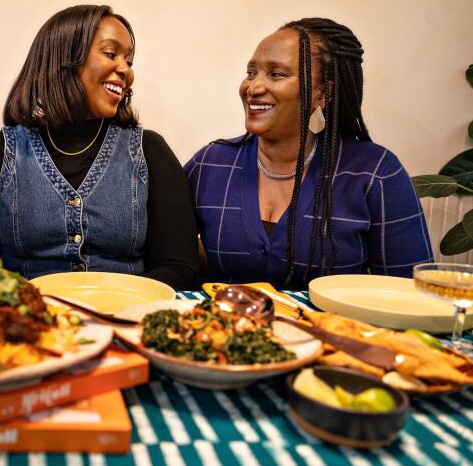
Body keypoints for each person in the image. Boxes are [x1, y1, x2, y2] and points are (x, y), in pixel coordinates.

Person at [0, 5, 198, 290]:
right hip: (32, 324)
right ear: (65, 58)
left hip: (125, 319)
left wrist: (118, 304)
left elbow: (179, 266)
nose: (125, 70)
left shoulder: (149, 151)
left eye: (129, 60)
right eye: (111, 53)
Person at [184, 18, 432, 288]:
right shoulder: (211, 164)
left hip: (333, 328)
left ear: (322, 93)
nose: (253, 88)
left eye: (276, 74)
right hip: (226, 328)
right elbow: (172, 260)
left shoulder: (375, 172)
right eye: (251, 72)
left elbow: (411, 292)